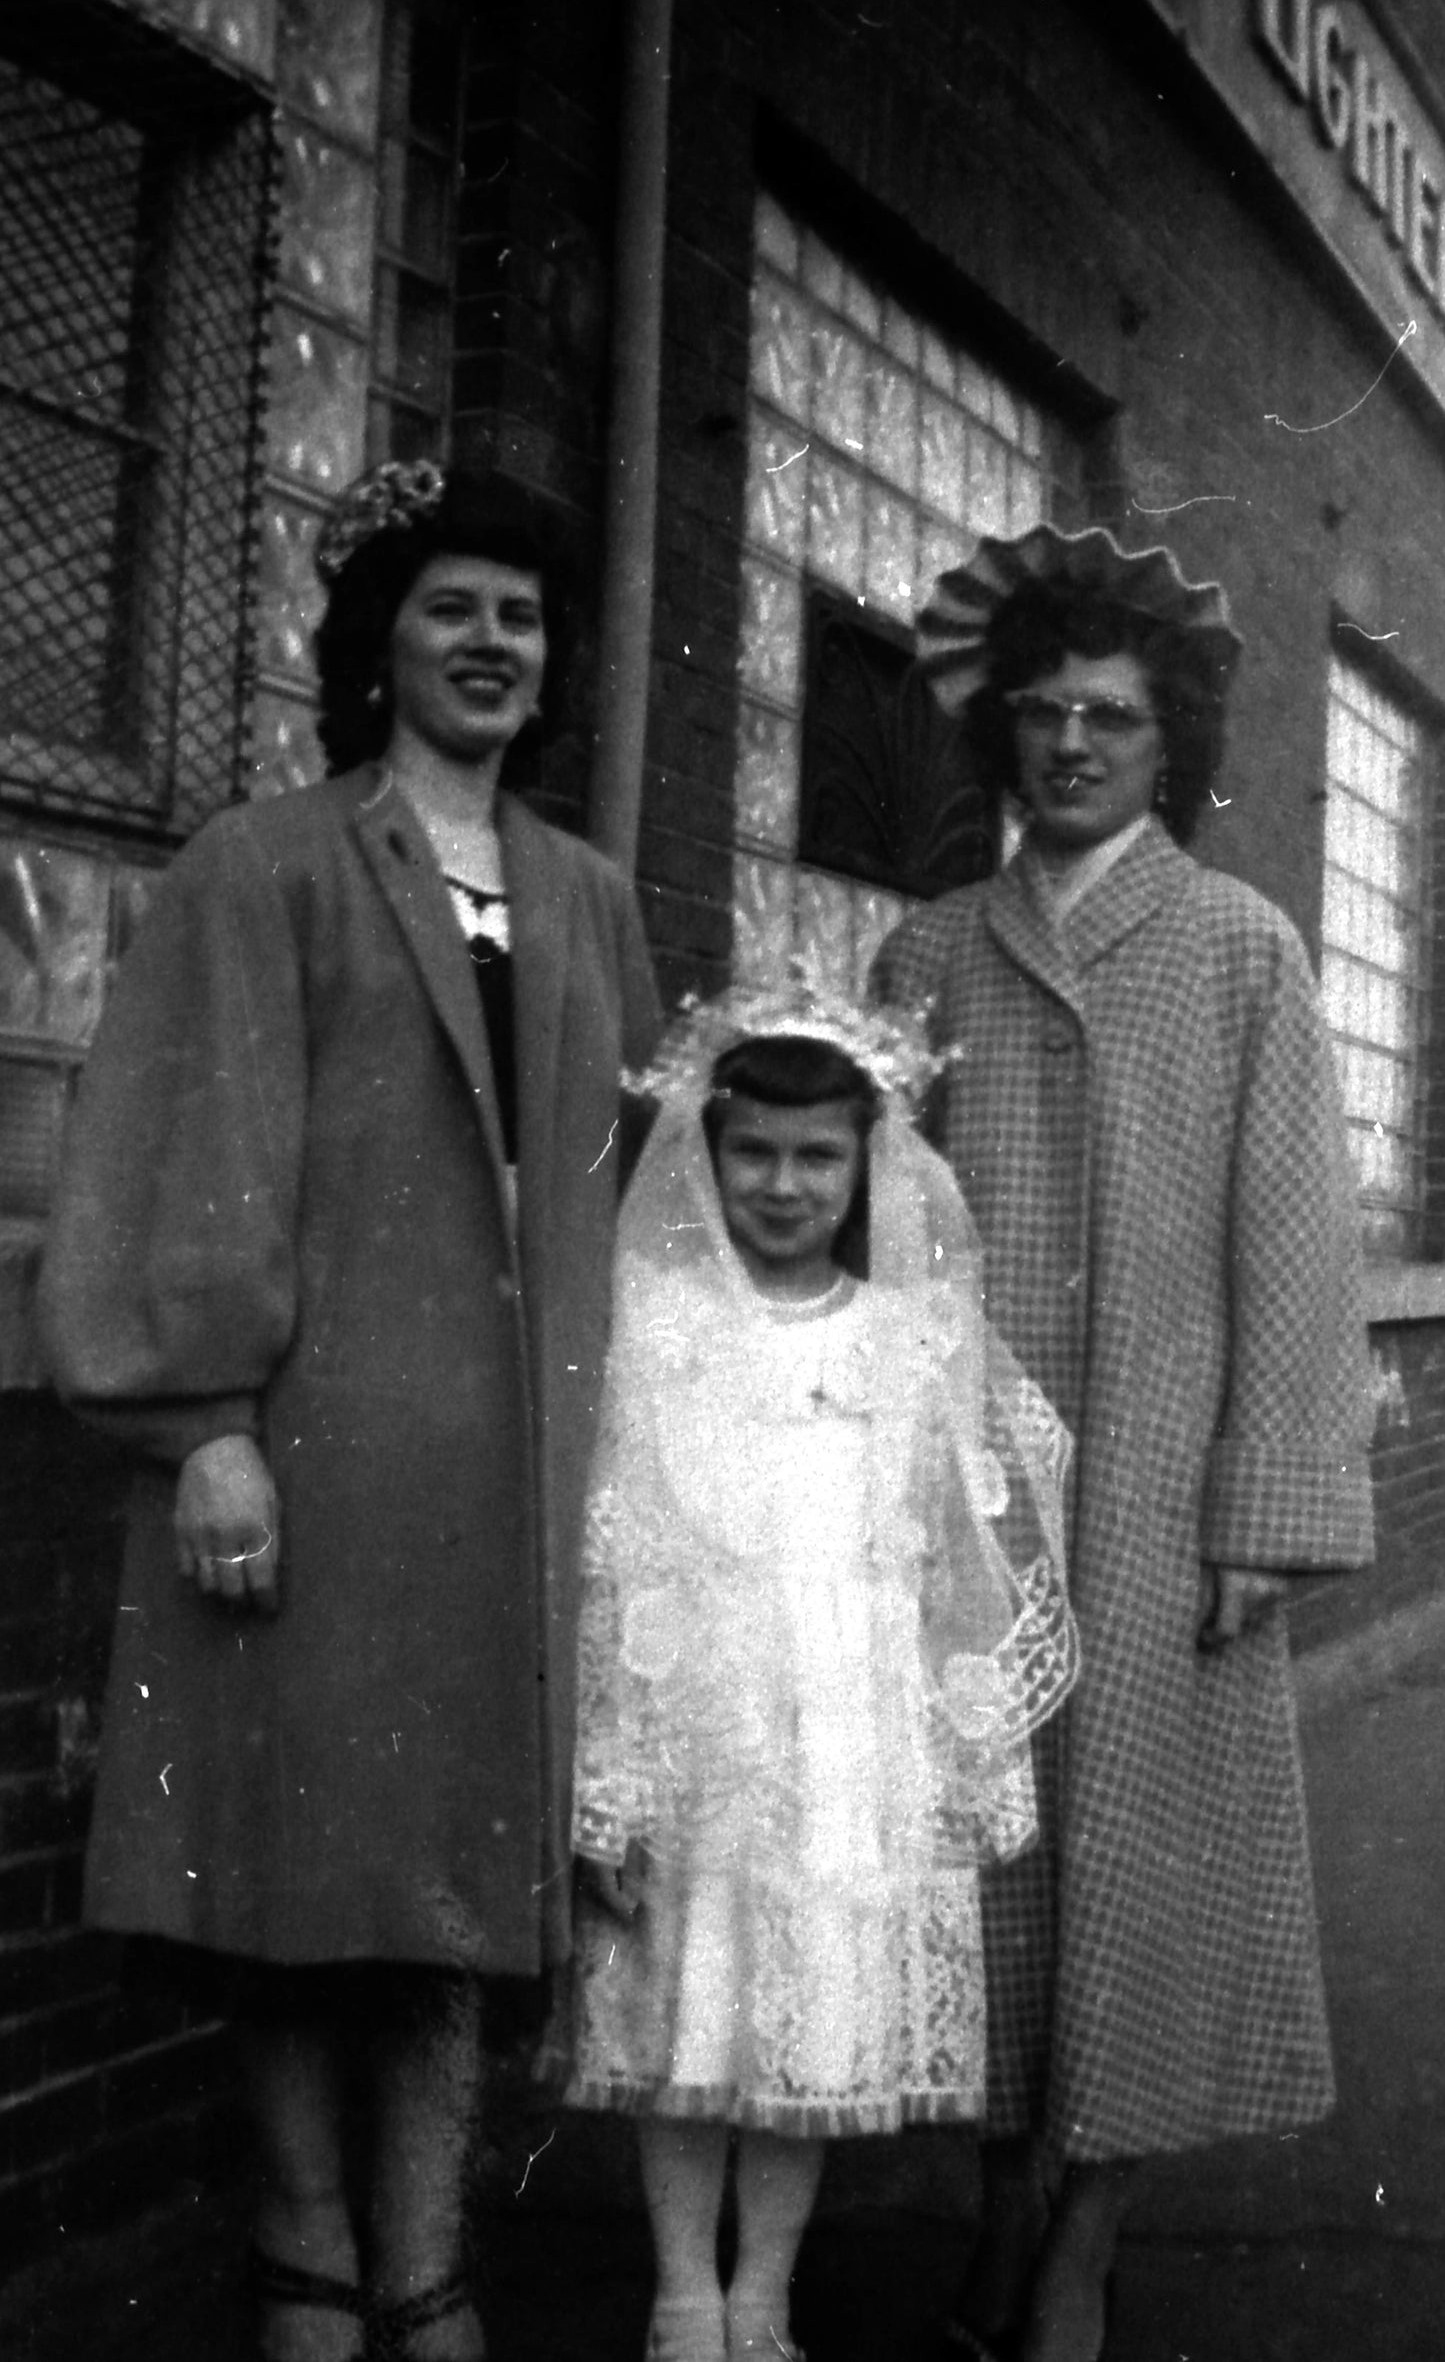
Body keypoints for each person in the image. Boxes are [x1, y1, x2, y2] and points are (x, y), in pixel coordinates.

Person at [39, 460, 661, 2362]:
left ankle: (428, 2266)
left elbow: (632, 1180)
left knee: (455, 1897)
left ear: (552, 665)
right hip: (305, 1466)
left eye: (522, 617)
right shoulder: (268, 861)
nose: (490, 643)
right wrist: (202, 1421)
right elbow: (184, 1149)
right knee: (292, 1890)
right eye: (452, 607)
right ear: (378, 640)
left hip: (512, 1493)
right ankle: (312, 2263)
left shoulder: (586, 898)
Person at [871, 521, 1376, 2362]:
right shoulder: (925, 950)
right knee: (989, 1871)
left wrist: (1267, 1503)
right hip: (967, 1494)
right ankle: (1001, 2205)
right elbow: (852, 1231)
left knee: (1144, 1862)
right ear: (1000, 740)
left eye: (1110, 719)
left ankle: (1087, 2236)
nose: (1071, 746)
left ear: (1170, 749)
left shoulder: (1240, 951)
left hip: (1166, 1494)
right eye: (1043, 716)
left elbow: (1299, 1250)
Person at [561, 987, 1079, 2362]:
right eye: (754, 1154)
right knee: (691, 2010)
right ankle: (681, 2291)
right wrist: (610, 1782)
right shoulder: (658, 1324)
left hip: (846, 1733)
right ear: (707, 1152)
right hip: (701, 1729)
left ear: (865, 1167)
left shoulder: (903, 1336)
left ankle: (762, 2293)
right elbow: (620, 1559)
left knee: (811, 2022)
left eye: (817, 1158)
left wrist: (953, 1749)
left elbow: (949, 1553)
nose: (784, 1185)